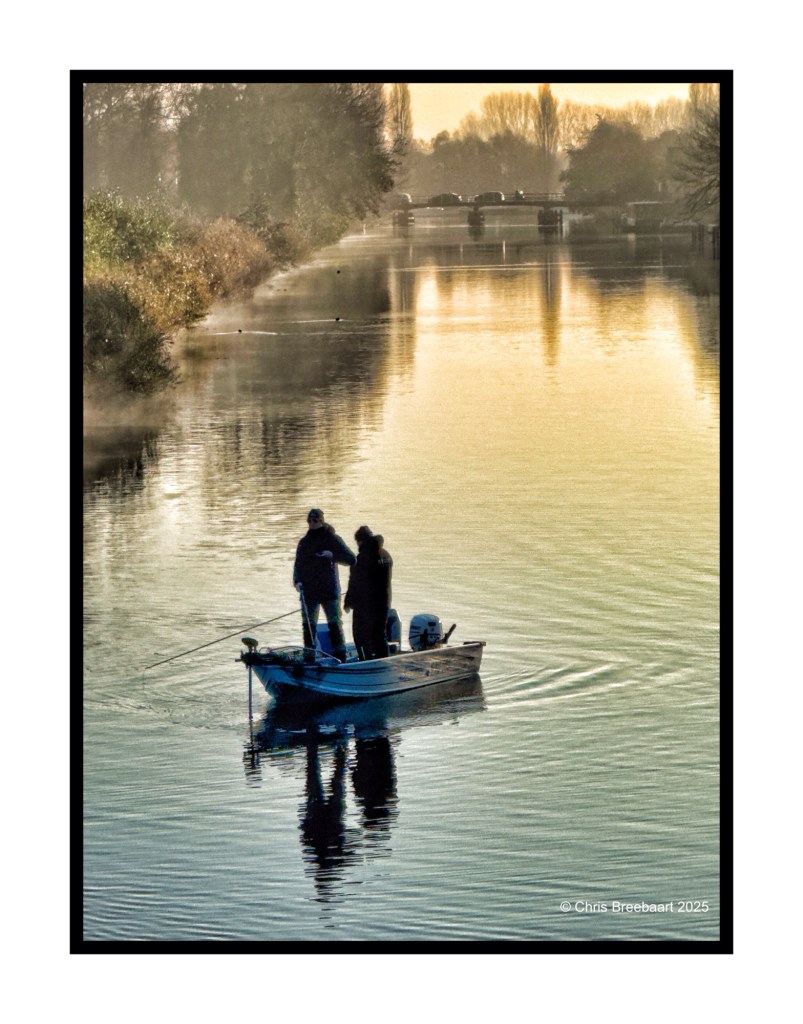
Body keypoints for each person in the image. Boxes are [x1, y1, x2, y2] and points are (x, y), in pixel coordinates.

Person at [293, 508, 356, 662]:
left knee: (334, 623)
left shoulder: (332, 539)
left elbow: (351, 559)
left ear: (321, 521)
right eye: (309, 520)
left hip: (329, 590)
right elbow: (298, 565)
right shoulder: (304, 542)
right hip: (309, 591)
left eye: (315, 520)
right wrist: (297, 581)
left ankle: (340, 655)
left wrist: (332, 556)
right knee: (308, 625)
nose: (312, 523)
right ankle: (309, 655)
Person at [344, 525, 393, 661]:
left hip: (366, 604)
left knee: (360, 635)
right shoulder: (386, 555)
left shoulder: (362, 558)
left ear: (360, 541)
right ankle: (384, 662)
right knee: (379, 634)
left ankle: (365, 661)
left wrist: (348, 602)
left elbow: (355, 583)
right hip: (385, 601)